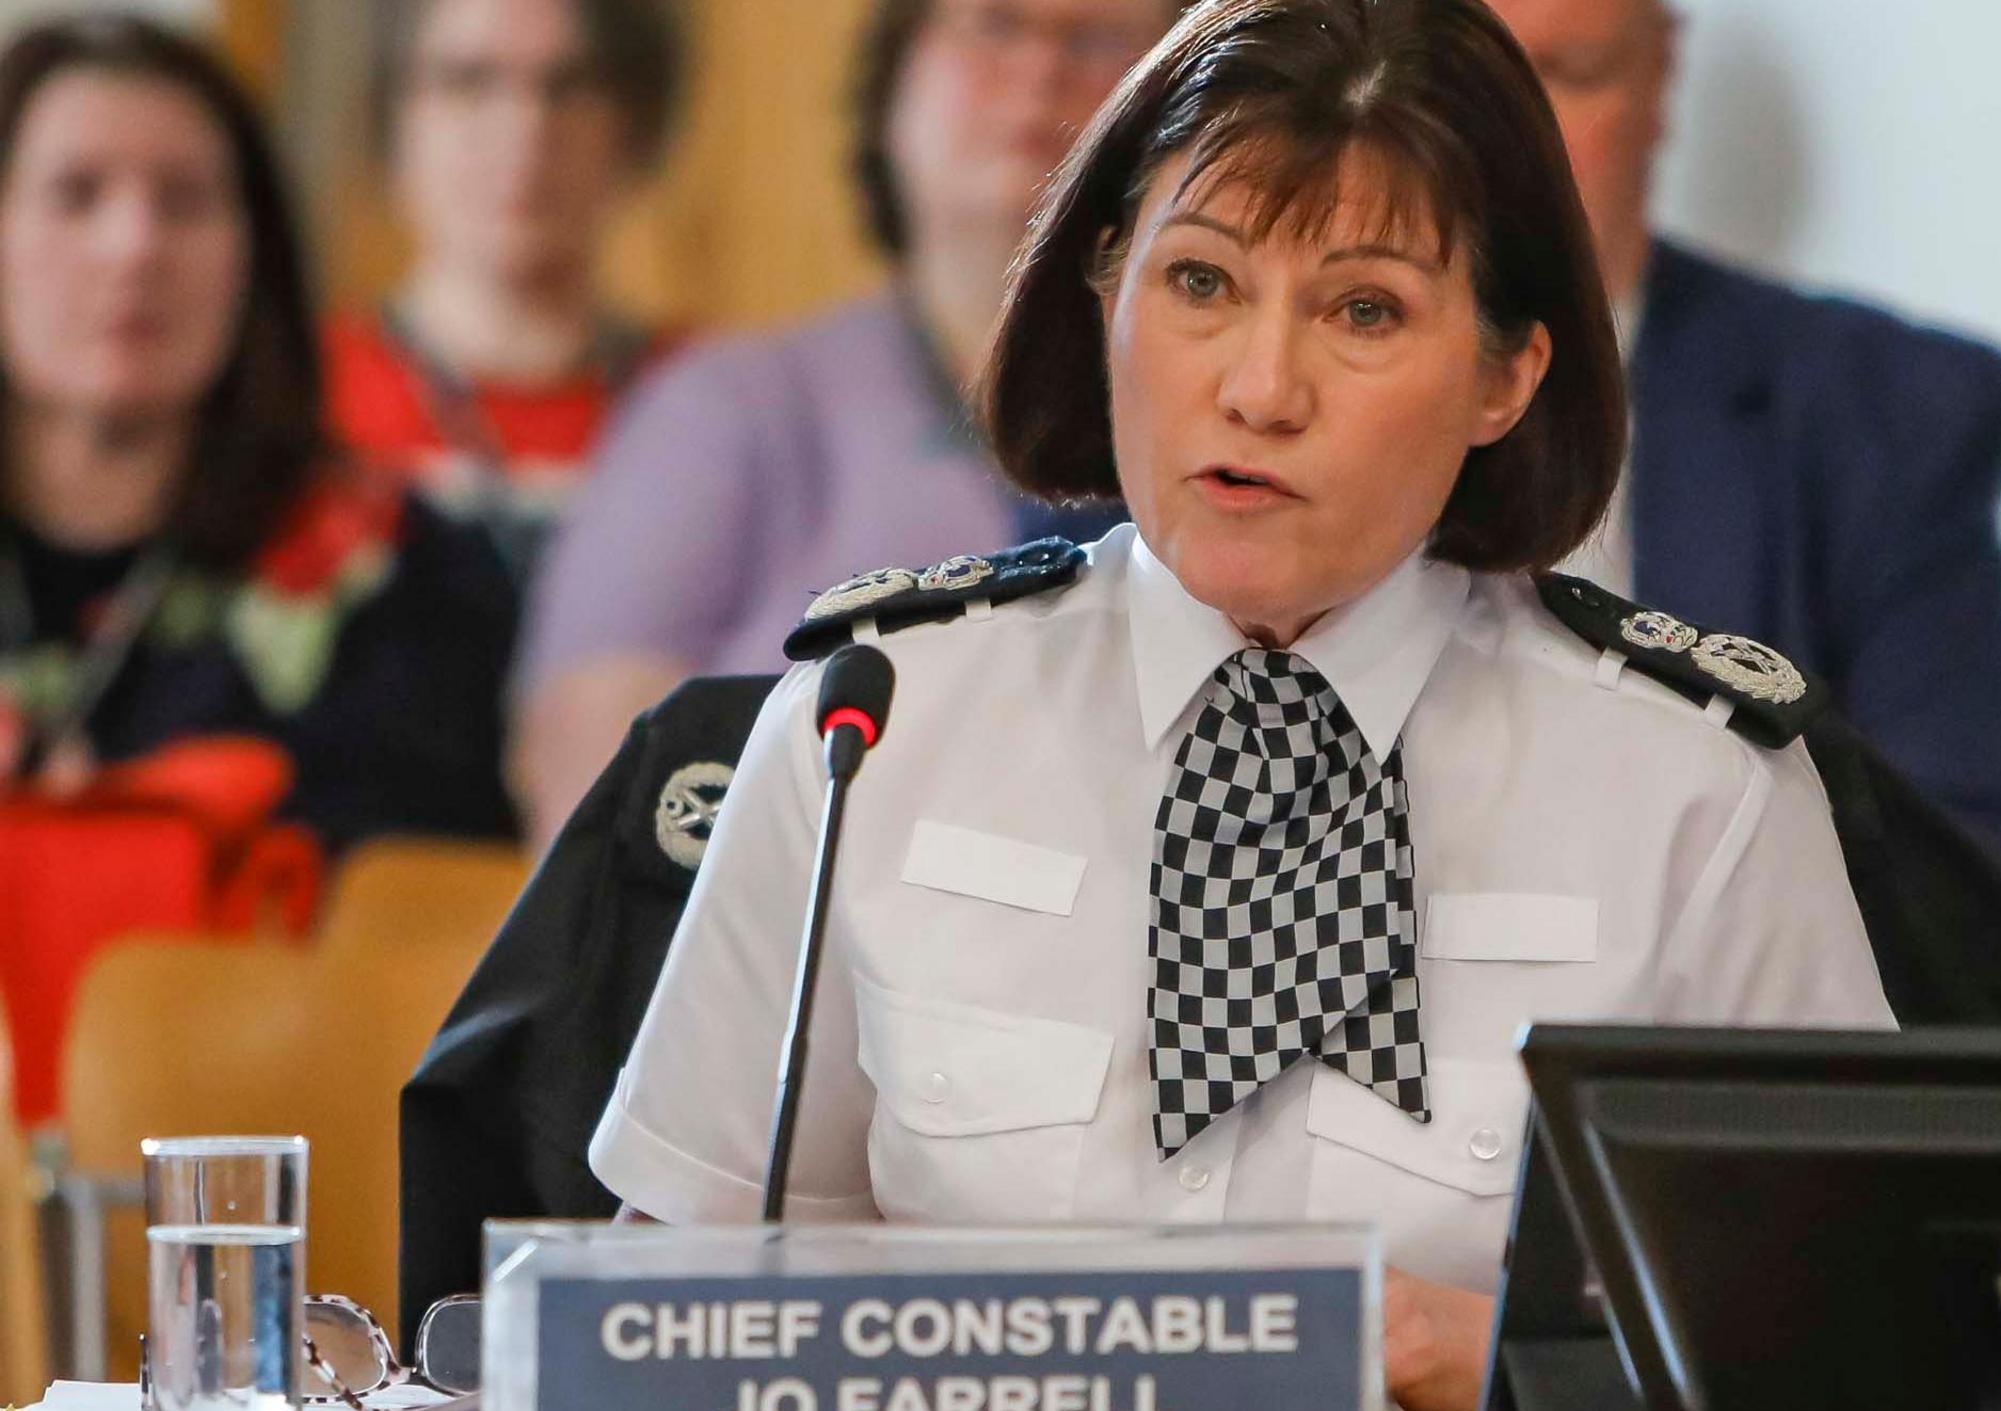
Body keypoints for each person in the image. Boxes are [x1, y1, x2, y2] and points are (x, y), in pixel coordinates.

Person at [585, 0, 1893, 1411]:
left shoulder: (1695, 794)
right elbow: (681, 1313)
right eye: (1200, 284)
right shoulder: (873, 727)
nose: (1260, 389)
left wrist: (1526, 1356)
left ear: (1509, 376)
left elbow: (1836, 1369)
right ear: (1105, 294)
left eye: (1365, 310)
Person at [506, 0, 1165, 846]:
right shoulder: (726, 407)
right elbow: (594, 800)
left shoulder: (1237, 420)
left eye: (1097, 39)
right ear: (892, 87)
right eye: (995, 26)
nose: (1040, 72)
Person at [1478, 0, 2001, 910]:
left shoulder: (1881, 417)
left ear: (1661, 80)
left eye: (1568, 78)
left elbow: (1981, 881)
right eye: (1467, 88)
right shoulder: (1267, 397)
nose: (1509, 147)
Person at [0, 15, 516, 848]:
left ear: (256, 254)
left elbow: (433, 933)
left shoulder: (408, 577)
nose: (133, 246)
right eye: (76, 192)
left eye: (185, 200)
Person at [324, 0, 685, 584]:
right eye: (467, 80)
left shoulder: (712, 400)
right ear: (391, 117)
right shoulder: (294, 396)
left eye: (570, 85)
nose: (525, 129)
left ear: (636, 124)